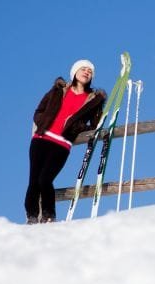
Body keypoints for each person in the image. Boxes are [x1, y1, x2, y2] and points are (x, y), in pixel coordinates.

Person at [25, 59, 107, 224]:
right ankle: (32, 216)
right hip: (41, 139)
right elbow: (39, 110)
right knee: (34, 180)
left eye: (89, 71)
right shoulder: (58, 90)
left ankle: (49, 215)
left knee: (45, 180)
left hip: (61, 144)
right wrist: (43, 123)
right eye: (83, 69)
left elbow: (94, 125)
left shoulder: (92, 99)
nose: (86, 72)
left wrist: (77, 127)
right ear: (75, 72)